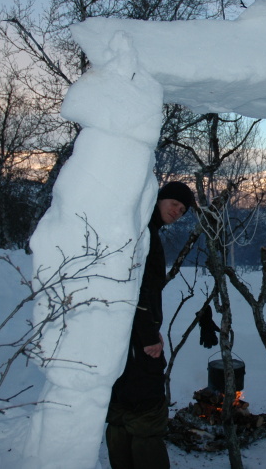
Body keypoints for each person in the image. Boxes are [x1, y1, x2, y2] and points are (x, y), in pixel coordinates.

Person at [105, 181, 195, 469]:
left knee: (120, 407)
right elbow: (139, 289)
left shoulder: (142, 228)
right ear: (159, 199)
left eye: (182, 210)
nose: (177, 211)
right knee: (146, 410)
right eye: (174, 204)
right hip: (136, 338)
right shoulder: (143, 233)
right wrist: (148, 336)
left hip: (122, 334)